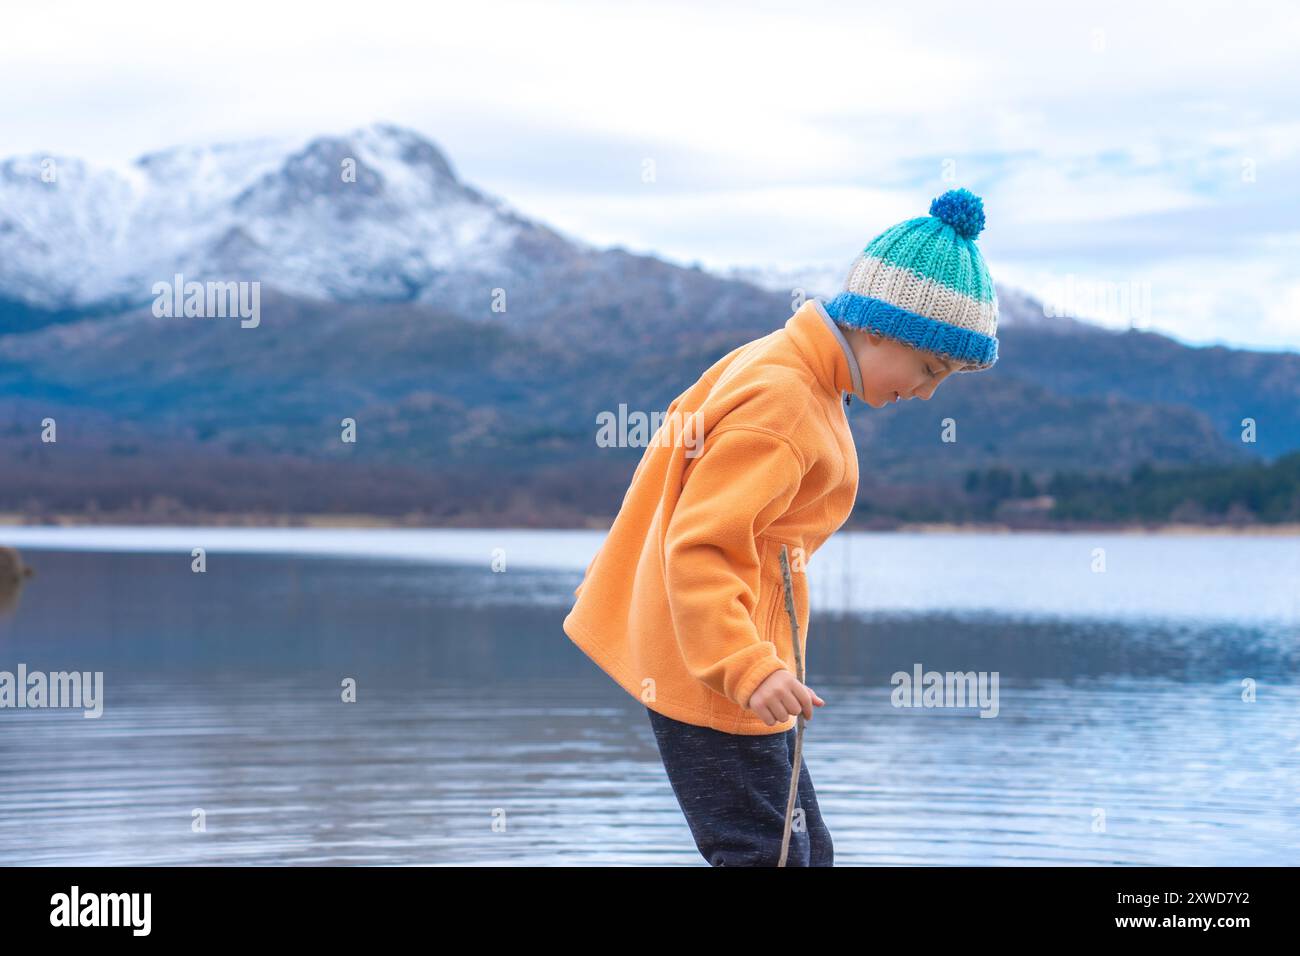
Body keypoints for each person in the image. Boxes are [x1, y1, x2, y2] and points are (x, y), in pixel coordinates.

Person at [563, 187, 1001, 866]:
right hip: (717, 668)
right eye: (929, 368)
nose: (926, 393)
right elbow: (701, 547)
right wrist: (746, 668)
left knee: (800, 855)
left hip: (731, 659)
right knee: (763, 857)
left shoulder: (794, 372)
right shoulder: (785, 402)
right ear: (881, 327)